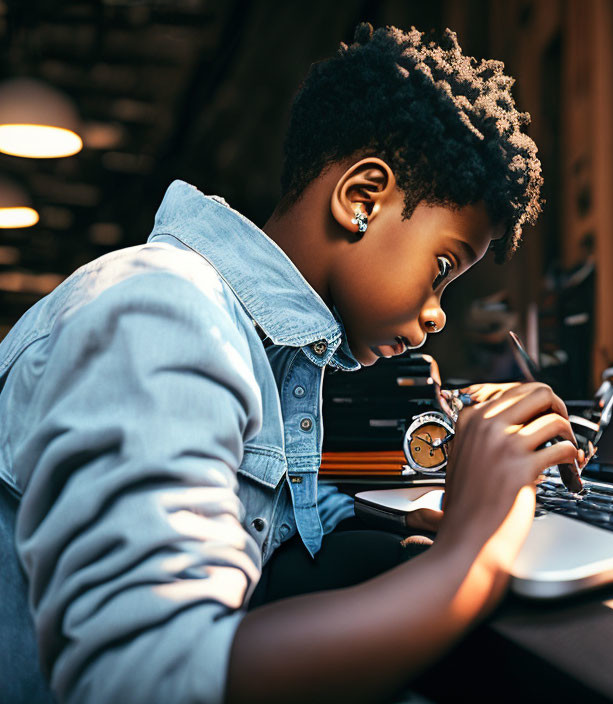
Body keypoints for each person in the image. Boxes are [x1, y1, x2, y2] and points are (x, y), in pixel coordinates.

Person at [0, 23, 581, 703]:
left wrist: (431, 516)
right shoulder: (162, 311)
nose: (437, 316)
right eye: (442, 269)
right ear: (362, 199)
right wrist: (471, 552)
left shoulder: (256, 347)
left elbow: (257, 512)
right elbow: (147, 677)